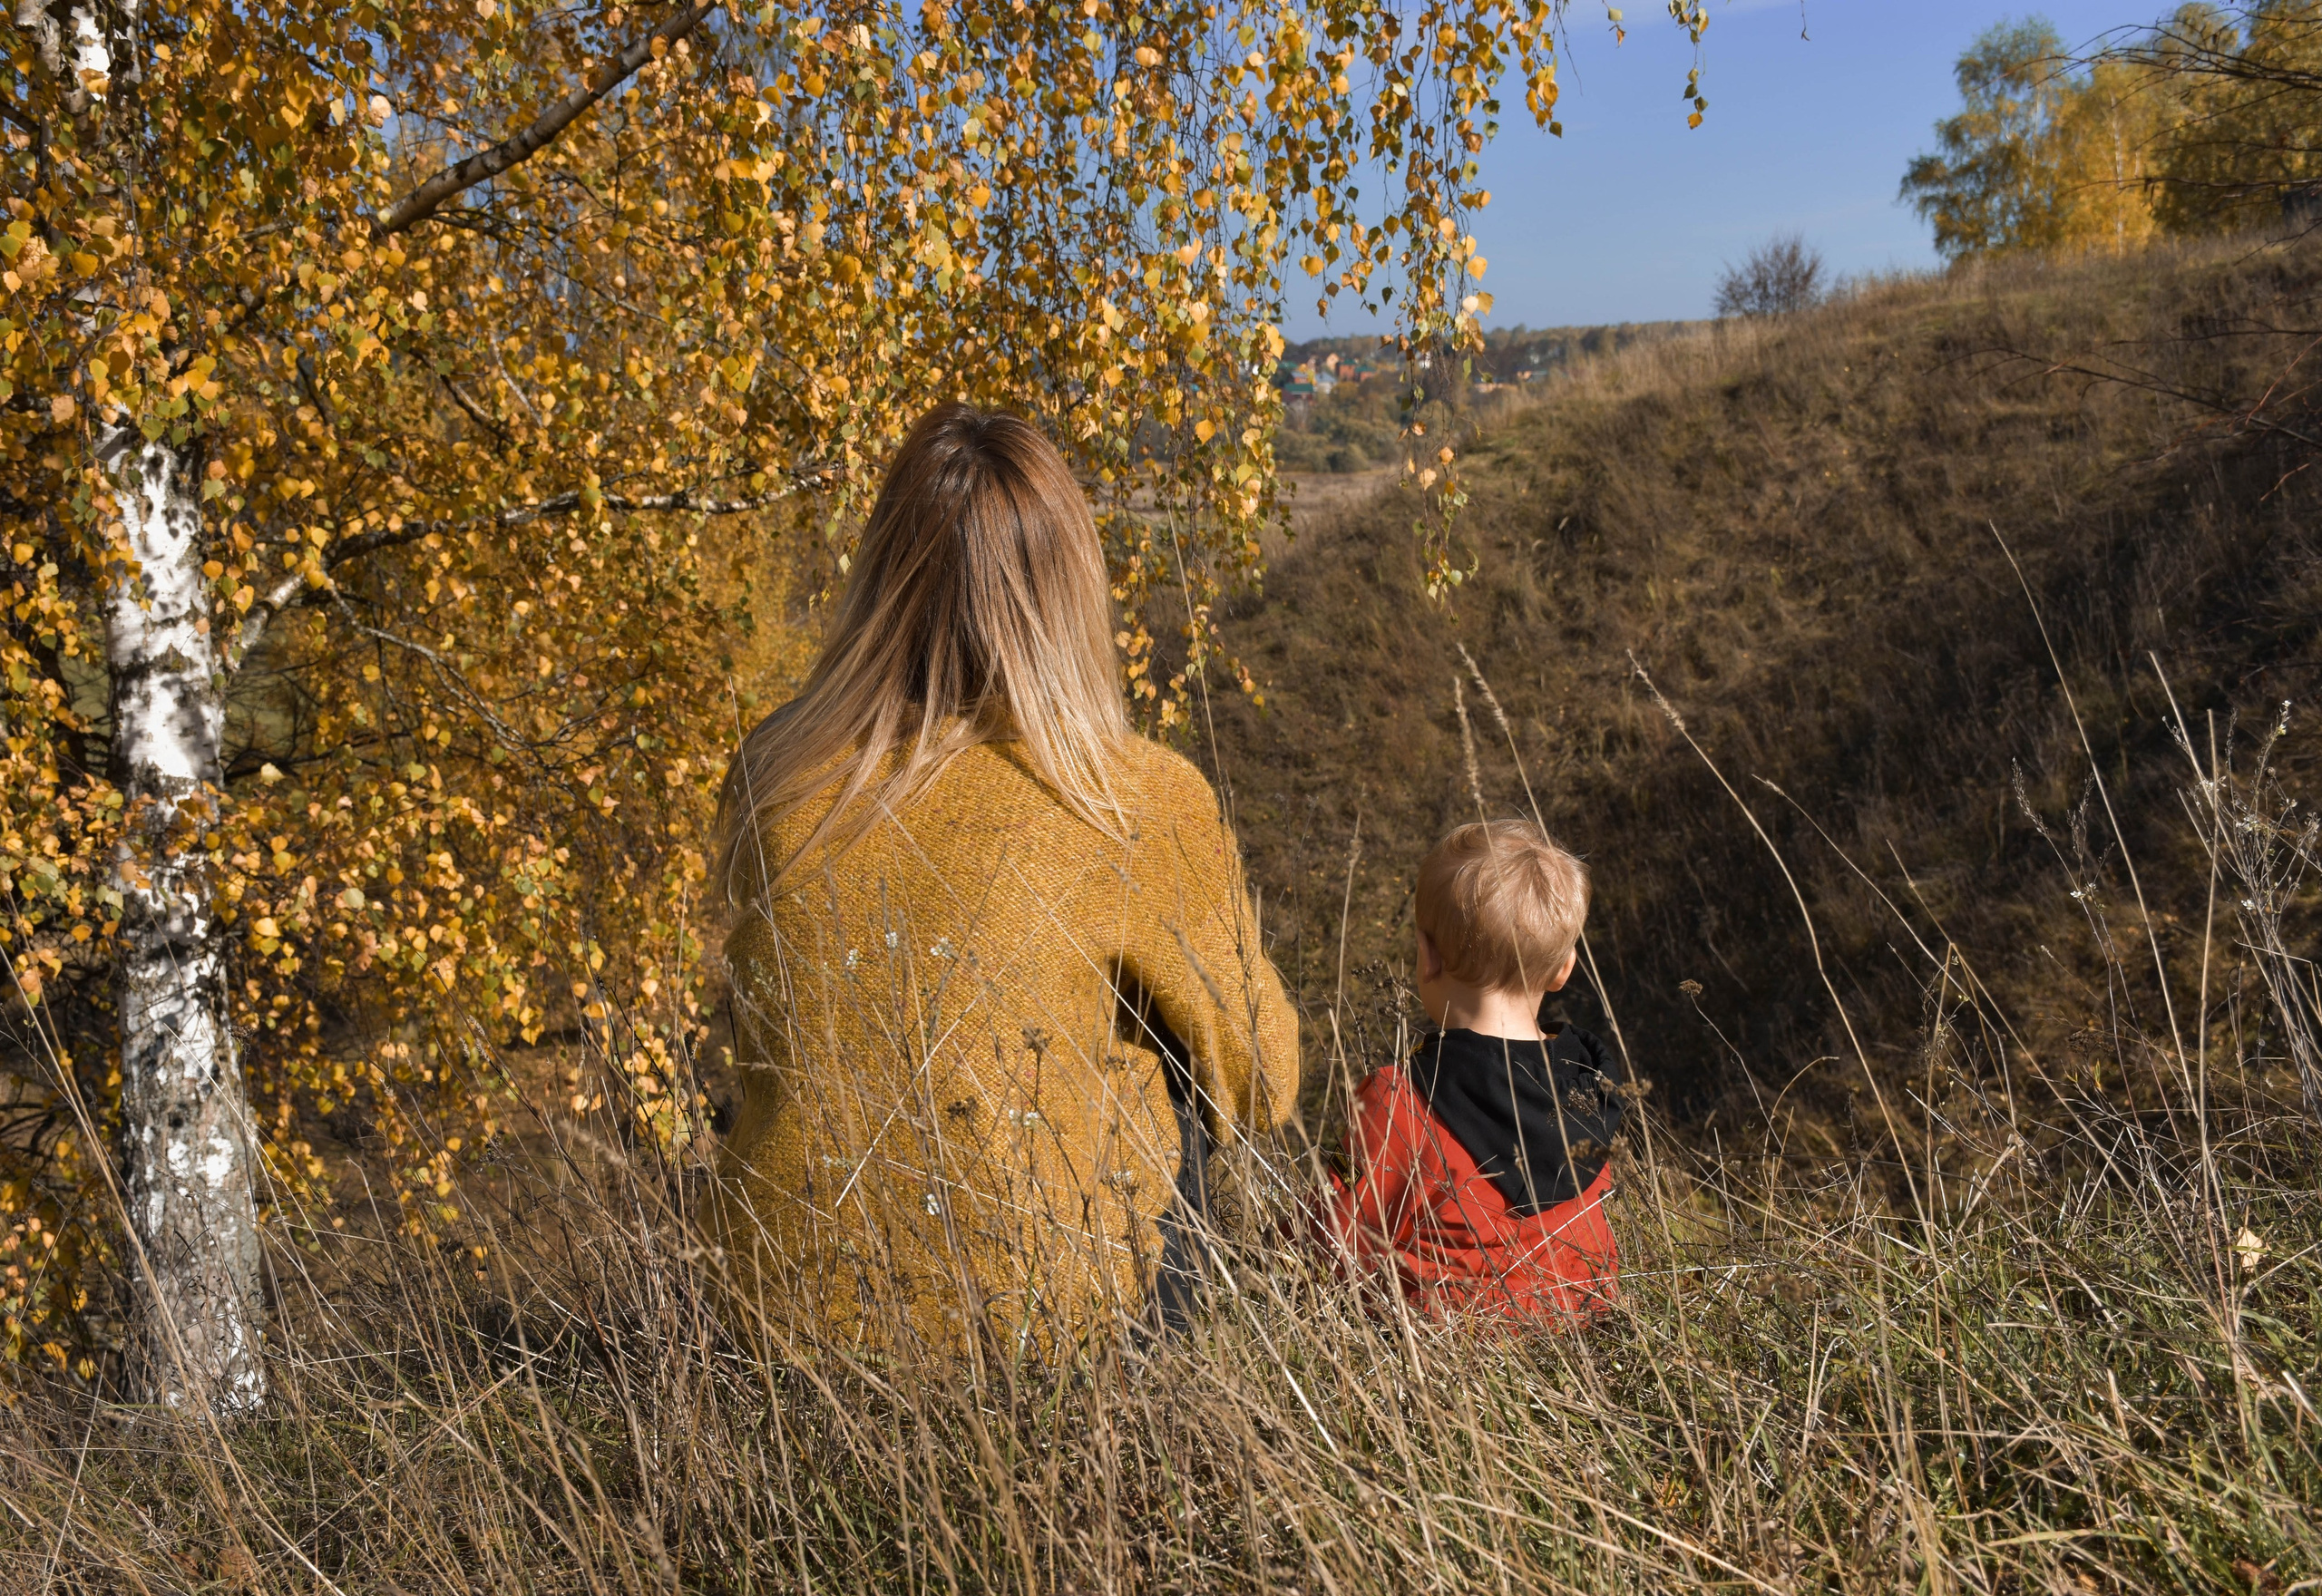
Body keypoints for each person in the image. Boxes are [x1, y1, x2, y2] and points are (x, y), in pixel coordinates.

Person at [708, 403, 1298, 1359]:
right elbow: (1260, 1077)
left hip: (781, 1311)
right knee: (1179, 1070)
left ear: (883, 573)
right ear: (1069, 586)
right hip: (1052, 1326)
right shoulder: (1131, 797)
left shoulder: (773, 771)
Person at [1318, 819, 1624, 1322]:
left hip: (1450, 1359)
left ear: (1427, 956)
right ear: (1563, 969)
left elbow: (1331, 1240)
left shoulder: (1400, 1099)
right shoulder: (1589, 1084)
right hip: (1585, 1334)